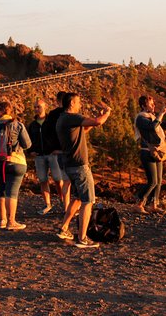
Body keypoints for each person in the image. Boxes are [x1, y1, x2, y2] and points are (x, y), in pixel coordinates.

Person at [56, 92, 111, 248]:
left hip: (70, 165)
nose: (80, 105)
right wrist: (106, 113)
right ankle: (82, 238)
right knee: (88, 201)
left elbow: (83, 130)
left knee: (77, 199)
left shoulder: (62, 119)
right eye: (78, 102)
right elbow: (98, 122)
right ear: (72, 103)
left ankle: (64, 228)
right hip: (79, 165)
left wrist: (94, 120)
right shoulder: (71, 117)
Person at [0, 101, 32, 231]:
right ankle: (12, 221)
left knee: (1, 192)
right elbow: (27, 144)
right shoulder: (18, 125)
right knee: (12, 192)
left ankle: (2, 220)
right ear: (10, 111)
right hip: (17, 162)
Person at [134, 96, 166, 214]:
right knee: (152, 181)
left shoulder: (152, 117)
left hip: (157, 151)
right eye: (151, 104)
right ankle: (139, 203)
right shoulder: (141, 118)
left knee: (158, 181)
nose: (153, 106)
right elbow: (152, 126)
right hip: (147, 151)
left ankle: (154, 204)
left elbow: (164, 126)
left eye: (153, 104)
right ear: (143, 106)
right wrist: (162, 112)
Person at [27, 98, 66, 215]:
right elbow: (28, 140)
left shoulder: (52, 121)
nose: (36, 109)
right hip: (39, 156)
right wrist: (30, 151)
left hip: (52, 155)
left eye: (38, 106)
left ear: (45, 107)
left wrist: (59, 150)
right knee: (43, 180)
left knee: (58, 180)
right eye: (35, 107)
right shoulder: (32, 125)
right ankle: (47, 205)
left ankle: (64, 203)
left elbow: (59, 135)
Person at [41, 91, 71, 214]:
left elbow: (46, 132)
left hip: (57, 151)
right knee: (67, 181)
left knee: (64, 180)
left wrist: (52, 148)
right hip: (67, 151)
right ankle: (68, 208)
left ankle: (66, 206)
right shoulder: (68, 114)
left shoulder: (52, 115)